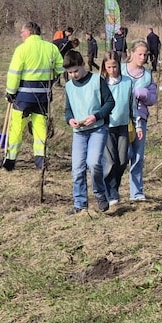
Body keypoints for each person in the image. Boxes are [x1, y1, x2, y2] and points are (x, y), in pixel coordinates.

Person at [4, 21, 64, 171]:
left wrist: (10, 92)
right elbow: (60, 68)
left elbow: (14, 74)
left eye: (22, 32)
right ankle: (41, 160)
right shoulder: (51, 48)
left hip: (23, 97)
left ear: (29, 32)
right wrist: (51, 82)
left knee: (17, 128)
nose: (21, 35)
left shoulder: (22, 49)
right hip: (43, 97)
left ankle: (10, 161)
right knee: (40, 129)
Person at [62, 49, 114, 215]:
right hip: (79, 131)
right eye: (70, 72)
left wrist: (96, 115)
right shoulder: (69, 86)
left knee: (93, 163)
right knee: (77, 168)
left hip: (98, 128)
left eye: (76, 70)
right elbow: (68, 110)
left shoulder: (97, 80)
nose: (73, 75)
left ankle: (100, 194)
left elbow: (110, 102)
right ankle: (80, 204)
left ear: (83, 65)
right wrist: (70, 120)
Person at [102, 51, 136, 211]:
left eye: (114, 66)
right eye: (109, 67)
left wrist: (136, 122)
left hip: (123, 125)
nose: (112, 70)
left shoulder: (127, 82)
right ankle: (111, 194)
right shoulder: (102, 82)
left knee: (122, 160)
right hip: (106, 126)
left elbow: (131, 104)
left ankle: (113, 187)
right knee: (110, 161)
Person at [125, 40, 158, 201]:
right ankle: (112, 189)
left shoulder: (147, 75)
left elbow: (153, 98)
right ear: (131, 53)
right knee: (121, 155)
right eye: (140, 54)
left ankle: (136, 192)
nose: (143, 57)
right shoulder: (120, 71)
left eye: (145, 55)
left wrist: (143, 94)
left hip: (140, 118)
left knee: (137, 156)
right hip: (120, 119)